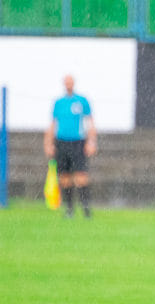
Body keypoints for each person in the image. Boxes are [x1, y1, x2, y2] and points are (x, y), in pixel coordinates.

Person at [44, 75, 97, 218]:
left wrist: (91, 141)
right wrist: (48, 143)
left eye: (70, 82)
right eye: (66, 82)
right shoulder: (59, 103)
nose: (68, 84)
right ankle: (69, 210)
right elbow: (53, 124)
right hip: (61, 142)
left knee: (81, 176)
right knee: (64, 177)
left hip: (78, 142)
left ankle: (86, 210)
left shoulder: (81, 101)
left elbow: (89, 122)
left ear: (73, 83)